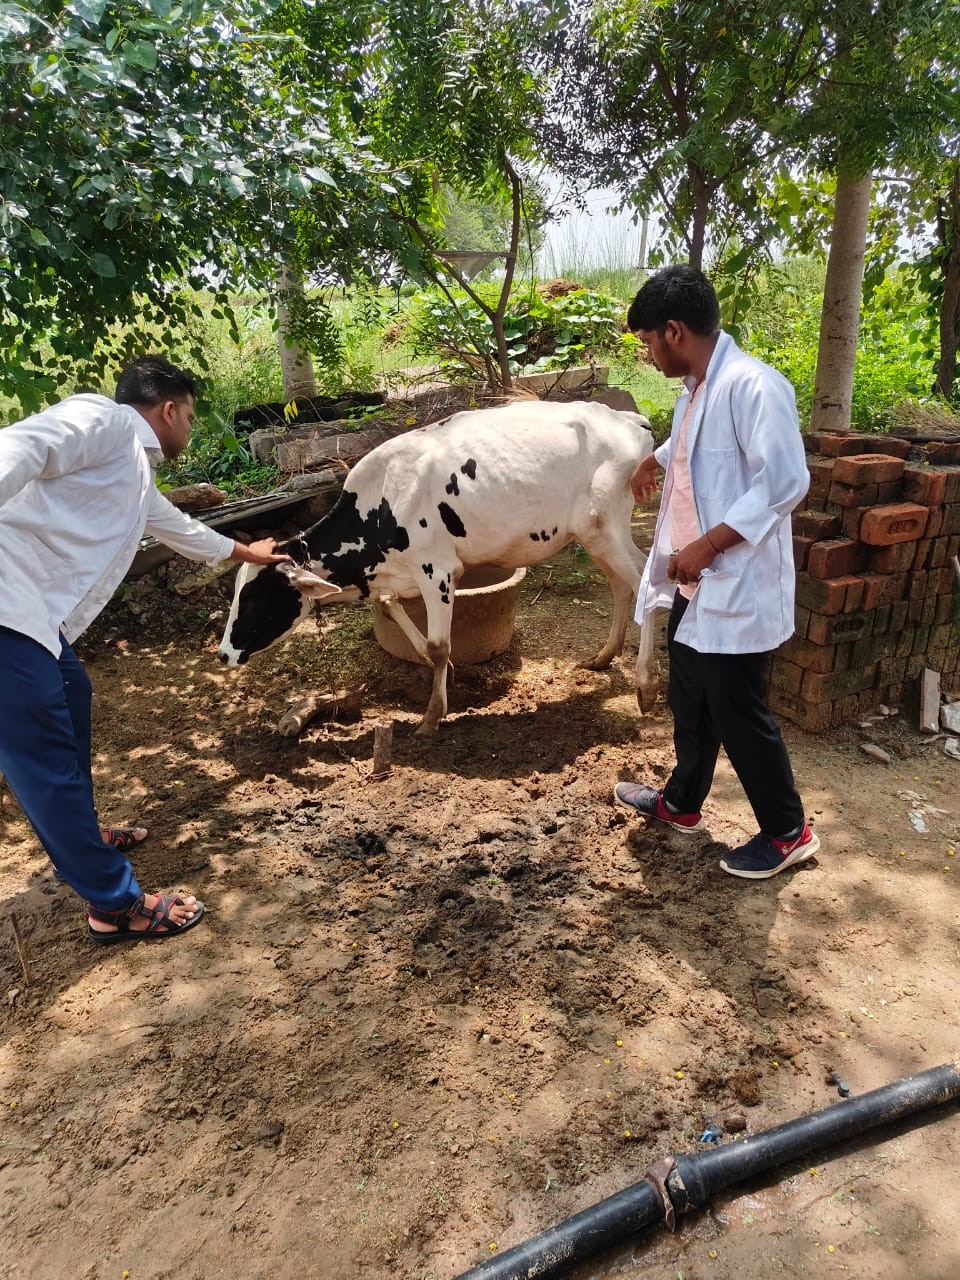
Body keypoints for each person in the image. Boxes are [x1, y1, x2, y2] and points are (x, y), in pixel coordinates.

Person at [0, 356, 291, 941]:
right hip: (6, 609)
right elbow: (18, 448)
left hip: (32, 615)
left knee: (71, 695)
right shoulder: (100, 419)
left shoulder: (132, 471)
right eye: (191, 414)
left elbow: (177, 526)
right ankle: (113, 905)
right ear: (168, 408)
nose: (191, 426)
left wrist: (247, 555)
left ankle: (80, 832)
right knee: (44, 757)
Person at [613, 266, 818, 879]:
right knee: (691, 697)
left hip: (734, 581)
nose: (648, 354)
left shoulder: (754, 386)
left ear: (675, 331)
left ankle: (787, 831)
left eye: (650, 341)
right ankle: (681, 802)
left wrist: (707, 544)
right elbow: (693, 444)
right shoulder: (698, 388)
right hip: (694, 582)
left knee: (737, 710)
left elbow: (785, 481)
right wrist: (652, 460)